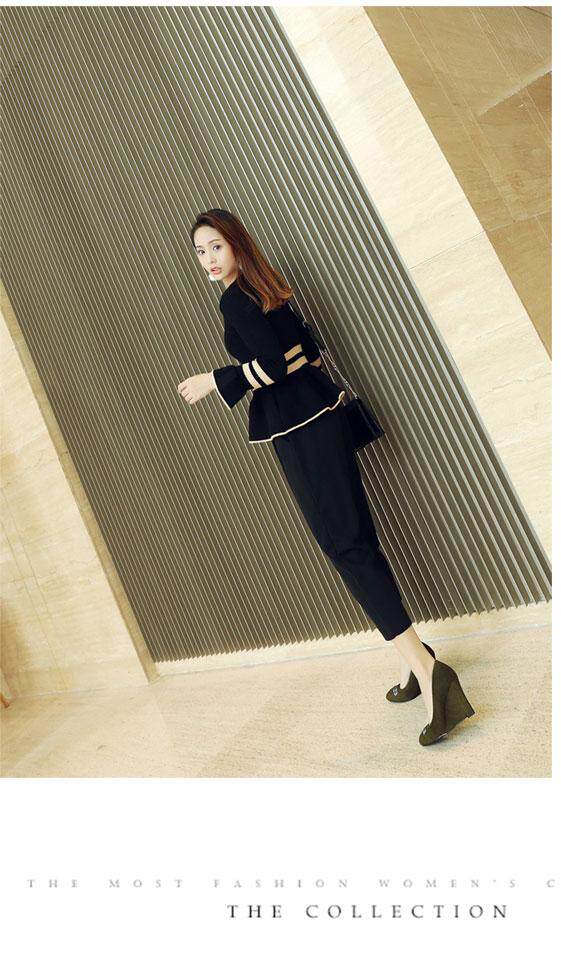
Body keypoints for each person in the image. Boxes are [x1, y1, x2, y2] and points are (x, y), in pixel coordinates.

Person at [177, 208, 474, 746]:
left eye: (216, 246)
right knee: (357, 541)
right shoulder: (267, 289)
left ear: (237, 244)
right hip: (323, 419)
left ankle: (430, 672)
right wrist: (282, 363)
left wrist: (215, 379)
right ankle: (412, 656)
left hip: (303, 432)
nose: (209, 259)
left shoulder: (237, 299)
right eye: (201, 252)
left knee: (345, 546)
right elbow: (305, 352)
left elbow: (278, 365)